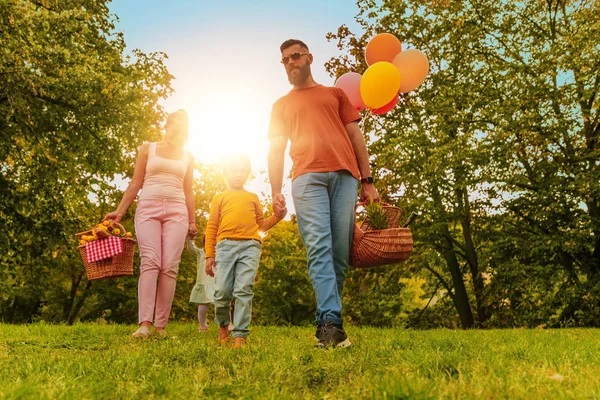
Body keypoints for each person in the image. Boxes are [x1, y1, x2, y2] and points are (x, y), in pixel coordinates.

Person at [268, 39, 380, 348]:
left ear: (309, 58)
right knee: (318, 247)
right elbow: (276, 149)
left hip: (345, 178)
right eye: (285, 60)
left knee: (340, 255)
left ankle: (325, 324)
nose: (291, 63)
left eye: (295, 56)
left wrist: (367, 180)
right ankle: (333, 324)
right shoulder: (281, 105)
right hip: (306, 179)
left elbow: (356, 136)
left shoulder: (335, 94)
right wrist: (275, 190)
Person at [104, 109, 197, 338]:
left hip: (177, 211)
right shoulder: (148, 149)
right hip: (148, 208)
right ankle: (144, 324)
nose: (179, 132)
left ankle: (160, 327)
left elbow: (188, 191)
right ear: (167, 126)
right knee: (150, 261)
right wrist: (119, 211)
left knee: (170, 266)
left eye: (184, 129)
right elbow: (136, 182)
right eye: (176, 127)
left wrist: (192, 221)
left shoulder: (188, 157)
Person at [205, 153, 286, 349]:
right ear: (226, 173)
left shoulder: (253, 197)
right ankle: (223, 327)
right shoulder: (219, 198)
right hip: (225, 247)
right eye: (234, 170)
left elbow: (261, 225)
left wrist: (278, 216)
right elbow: (212, 226)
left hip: (251, 246)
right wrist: (209, 254)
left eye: (242, 171)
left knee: (243, 290)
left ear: (247, 174)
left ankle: (240, 335)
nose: (238, 174)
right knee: (222, 291)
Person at [186, 237, 215, 332]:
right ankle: (203, 326)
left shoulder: (219, 254)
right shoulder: (201, 253)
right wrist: (189, 238)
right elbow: (191, 248)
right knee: (202, 308)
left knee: (221, 305)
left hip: (216, 284)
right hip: (203, 284)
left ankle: (226, 324)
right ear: (204, 243)